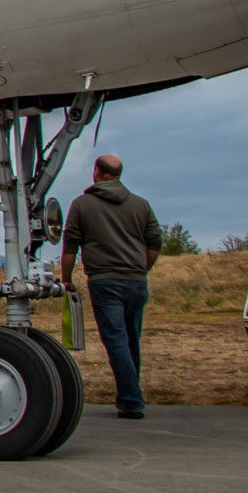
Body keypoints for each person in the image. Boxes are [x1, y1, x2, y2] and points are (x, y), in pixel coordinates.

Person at [56, 153, 164, 420]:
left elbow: (70, 246)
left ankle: (131, 400)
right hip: (136, 281)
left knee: (115, 339)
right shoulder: (141, 205)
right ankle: (129, 397)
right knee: (130, 339)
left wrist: (67, 278)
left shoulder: (82, 204)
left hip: (105, 280)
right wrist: (142, 268)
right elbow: (155, 242)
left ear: (97, 172)